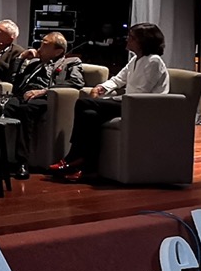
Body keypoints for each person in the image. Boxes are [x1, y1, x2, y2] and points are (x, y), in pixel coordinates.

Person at [50, 22, 168, 183]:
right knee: (89, 114)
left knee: (83, 103)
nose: (127, 40)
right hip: (130, 103)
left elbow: (140, 93)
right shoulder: (136, 60)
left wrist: (109, 100)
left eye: (132, 38)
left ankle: (73, 156)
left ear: (143, 42)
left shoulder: (153, 61)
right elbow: (118, 80)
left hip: (143, 107)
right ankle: (88, 167)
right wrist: (101, 88)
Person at [0, 31, 84, 179]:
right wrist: (20, 59)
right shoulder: (34, 63)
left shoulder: (71, 62)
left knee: (25, 111)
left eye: (45, 45)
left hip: (45, 98)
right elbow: (13, 80)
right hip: (22, 95)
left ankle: (22, 162)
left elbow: (77, 82)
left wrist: (44, 91)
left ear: (58, 51)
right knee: (0, 109)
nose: (39, 48)